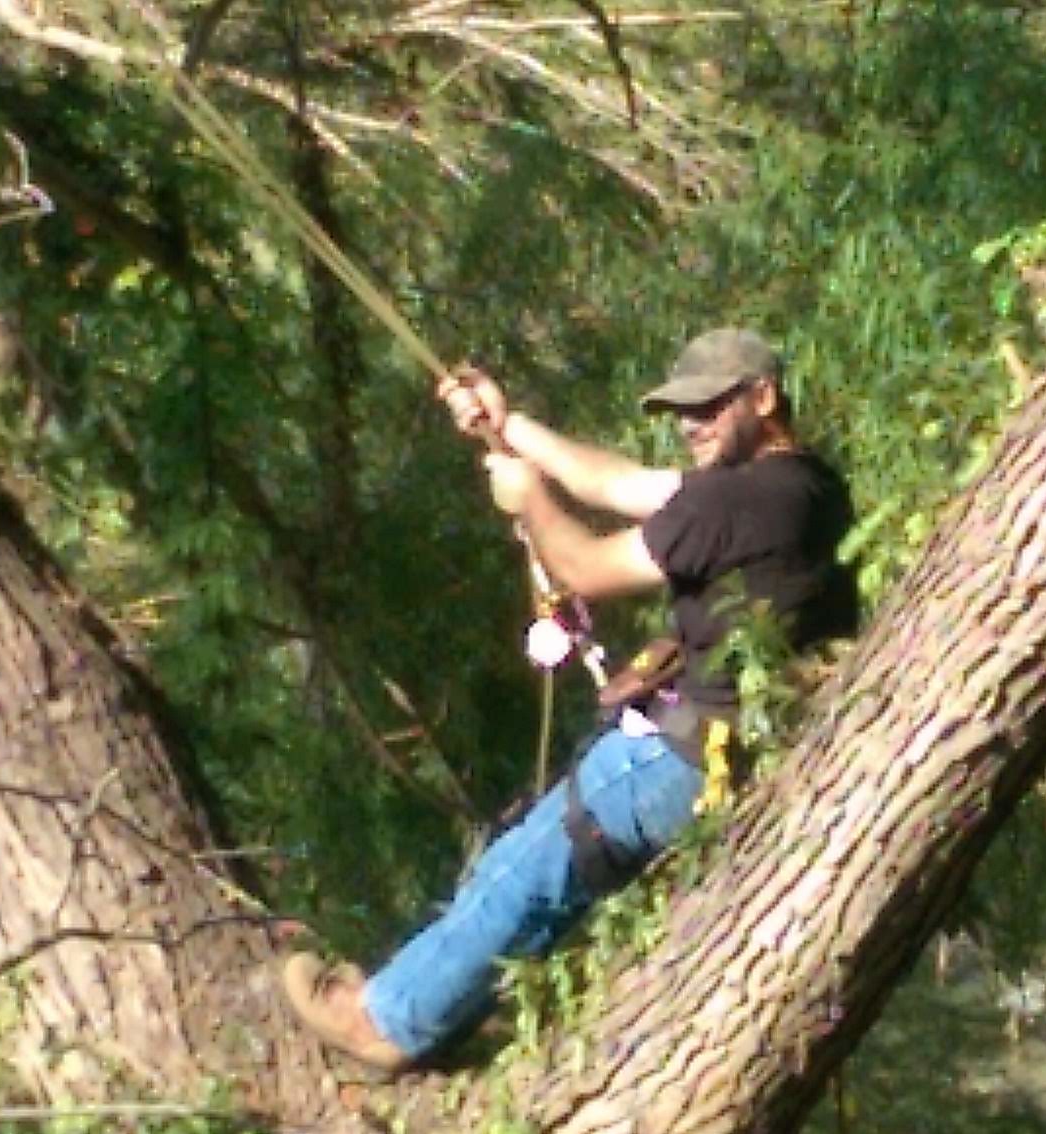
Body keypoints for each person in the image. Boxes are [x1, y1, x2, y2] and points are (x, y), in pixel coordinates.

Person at [280, 328, 861, 1074]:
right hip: (724, 750)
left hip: (683, 756)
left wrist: (530, 503)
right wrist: (508, 422)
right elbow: (614, 483)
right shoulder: (800, 486)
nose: (690, 423)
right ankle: (439, 1011)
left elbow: (583, 565)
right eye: (682, 410)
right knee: (541, 866)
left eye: (709, 407)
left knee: (530, 862)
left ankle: (387, 1021)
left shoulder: (736, 498)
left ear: (763, 397)